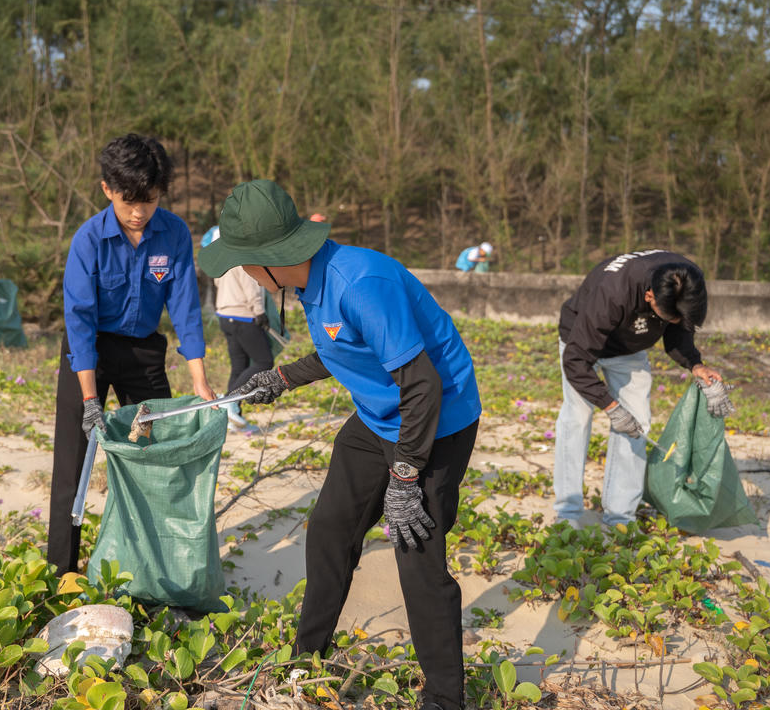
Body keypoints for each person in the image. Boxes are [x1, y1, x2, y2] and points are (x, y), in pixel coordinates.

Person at [199, 180, 482, 710]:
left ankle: (445, 699)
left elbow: (424, 384)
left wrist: (405, 478)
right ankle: (307, 658)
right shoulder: (311, 282)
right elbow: (344, 347)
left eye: (242, 262)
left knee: (416, 558)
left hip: (434, 425)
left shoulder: (358, 282)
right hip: (379, 418)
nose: (241, 273)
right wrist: (282, 378)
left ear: (270, 260)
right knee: (330, 529)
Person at [48, 133, 215, 578]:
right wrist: (89, 400)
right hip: (89, 354)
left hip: (143, 352)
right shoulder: (88, 240)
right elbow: (78, 320)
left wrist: (199, 380)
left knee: (155, 453)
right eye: (129, 202)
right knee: (73, 461)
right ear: (107, 189)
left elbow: (185, 308)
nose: (140, 212)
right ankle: (61, 570)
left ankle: (154, 566)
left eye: (150, 200)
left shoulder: (174, 233)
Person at [554, 249, 735, 529]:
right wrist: (611, 406)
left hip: (629, 349)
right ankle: (568, 513)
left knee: (638, 422)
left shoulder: (686, 282)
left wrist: (696, 365)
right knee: (577, 418)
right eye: (668, 317)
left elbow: (679, 330)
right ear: (649, 296)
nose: (673, 323)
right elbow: (576, 362)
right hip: (581, 339)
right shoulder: (612, 291)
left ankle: (619, 517)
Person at [205, 226, 273, 430]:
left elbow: (219, 285)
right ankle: (229, 401)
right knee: (264, 360)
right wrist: (260, 312)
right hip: (242, 314)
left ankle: (232, 417)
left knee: (239, 366)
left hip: (225, 316)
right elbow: (251, 286)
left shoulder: (221, 259)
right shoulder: (243, 256)